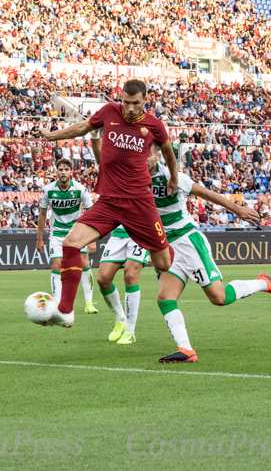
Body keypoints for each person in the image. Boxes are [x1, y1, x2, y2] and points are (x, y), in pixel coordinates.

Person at [36, 79, 176, 328]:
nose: (129, 108)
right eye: (125, 102)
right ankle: (66, 311)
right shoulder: (109, 112)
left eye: (135, 103)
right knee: (71, 243)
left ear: (145, 100)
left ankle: (167, 243)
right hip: (109, 201)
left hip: (139, 203)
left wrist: (173, 177)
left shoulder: (153, 125)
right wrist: (52, 136)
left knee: (164, 263)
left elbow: (167, 150)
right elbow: (81, 128)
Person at [145, 144, 271, 363]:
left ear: (158, 155)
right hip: (166, 246)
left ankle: (263, 282)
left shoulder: (171, 176)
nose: (143, 159)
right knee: (165, 297)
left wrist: (238, 209)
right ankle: (186, 350)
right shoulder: (132, 178)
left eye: (147, 154)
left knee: (219, 298)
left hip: (188, 240)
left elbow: (207, 194)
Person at [36, 158, 98, 313]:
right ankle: (57, 305)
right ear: (56, 171)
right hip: (57, 232)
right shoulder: (48, 190)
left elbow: (91, 213)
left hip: (77, 232)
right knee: (57, 265)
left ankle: (89, 303)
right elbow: (42, 214)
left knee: (84, 264)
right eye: (60, 169)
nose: (63, 172)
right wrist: (39, 239)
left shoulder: (80, 189)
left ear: (71, 172)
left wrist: (92, 239)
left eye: (66, 169)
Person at [96, 226, 149, 344]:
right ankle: (121, 319)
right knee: (103, 279)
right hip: (118, 233)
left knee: (130, 276)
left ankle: (130, 331)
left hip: (140, 231)